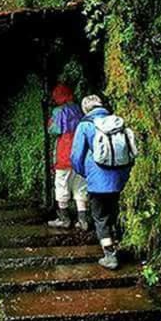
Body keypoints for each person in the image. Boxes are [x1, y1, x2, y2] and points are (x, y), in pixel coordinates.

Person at [71, 94, 132, 269]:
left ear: (86, 109)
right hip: (118, 178)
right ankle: (120, 242)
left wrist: (85, 173)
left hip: (97, 180)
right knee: (113, 212)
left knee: (100, 217)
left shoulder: (85, 125)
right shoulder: (116, 122)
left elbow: (76, 156)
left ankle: (110, 256)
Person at [46, 83, 89, 230]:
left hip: (64, 152)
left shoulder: (59, 111)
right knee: (80, 186)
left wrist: (50, 121)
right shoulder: (78, 108)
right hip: (80, 152)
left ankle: (64, 219)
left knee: (61, 185)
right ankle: (83, 220)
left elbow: (53, 129)